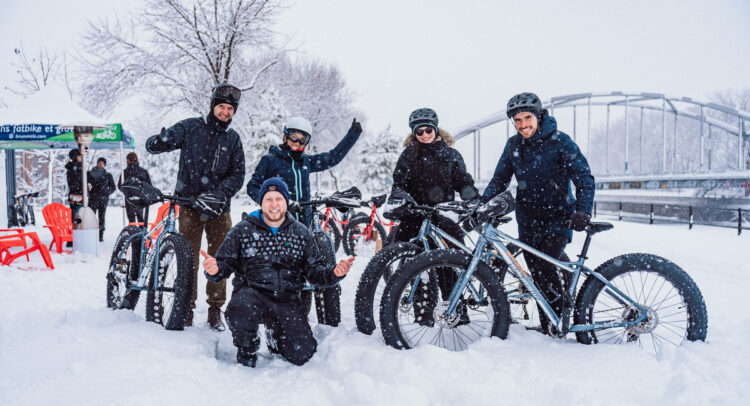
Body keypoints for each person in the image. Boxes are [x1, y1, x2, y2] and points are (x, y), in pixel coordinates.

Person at [201, 178, 354, 367]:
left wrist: (335, 273)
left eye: (279, 199)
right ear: (261, 202)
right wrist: (215, 270)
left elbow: (315, 272)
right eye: (269, 199)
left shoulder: (301, 233)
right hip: (251, 296)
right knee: (238, 311)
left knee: (302, 354)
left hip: (287, 300)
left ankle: (276, 338)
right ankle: (247, 346)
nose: (274, 204)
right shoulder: (243, 230)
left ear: (286, 202)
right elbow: (224, 264)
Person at [480, 92, 595, 335]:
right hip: (528, 219)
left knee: (543, 266)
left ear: (539, 116)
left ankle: (553, 327)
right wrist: (482, 205)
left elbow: (584, 178)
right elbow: (500, 180)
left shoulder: (561, 142)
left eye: (527, 118)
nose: (523, 125)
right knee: (538, 274)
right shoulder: (513, 145)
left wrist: (583, 210)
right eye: (517, 120)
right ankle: (553, 319)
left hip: (558, 218)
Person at [145, 83, 246, 331]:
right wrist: (158, 142)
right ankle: (185, 307)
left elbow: (238, 173)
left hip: (219, 210)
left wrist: (218, 194)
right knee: (187, 258)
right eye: (221, 107)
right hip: (189, 206)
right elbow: (164, 142)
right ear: (213, 106)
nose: (225, 112)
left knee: (220, 258)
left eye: (229, 109)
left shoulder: (232, 139)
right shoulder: (191, 127)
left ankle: (215, 309)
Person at [246, 116, 362, 327]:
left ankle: (328, 321)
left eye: (303, 140)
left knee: (316, 264)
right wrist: (276, 203)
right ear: (285, 136)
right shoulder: (271, 160)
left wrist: (352, 135)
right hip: (279, 226)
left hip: (304, 225)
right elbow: (253, 187)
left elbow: (332, 158)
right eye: (294, 138)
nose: (297, 144)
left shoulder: (305, 162)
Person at [389, 107, 479, 325]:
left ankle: (456, 311)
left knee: (449, 266)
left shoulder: (451, 155)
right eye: (419, 132)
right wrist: (400, 198)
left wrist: (471, 197)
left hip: (444, 217)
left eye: (429, 130)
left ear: (436, 129)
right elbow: (398, 184)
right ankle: (423, 314)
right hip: (415, 217)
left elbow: (463, 182)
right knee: (416, 269)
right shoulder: (408, 155)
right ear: (414, 133)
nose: (425, 135)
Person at [118, 152, 152, 224]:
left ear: (129, 160)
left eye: (127, 160)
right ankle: (142, 234)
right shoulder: (143, 172)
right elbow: (149, 186)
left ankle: (133, 233)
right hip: (140, 199)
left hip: (129, 199)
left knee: (131, 221)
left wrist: (127, 192)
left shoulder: (124, 172)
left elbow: (120, 186)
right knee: (141, 220)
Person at [87, 157, 116, 241]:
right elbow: (85, 184)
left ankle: (100, 235)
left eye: (102, 163)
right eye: (99, 162)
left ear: (105, 165)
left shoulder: (108, 175)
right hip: (93, 199)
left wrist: (107, 192)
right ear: (97, 163)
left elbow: (113, 187)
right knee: (91, 217)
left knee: (102, 217)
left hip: (103, 199)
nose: (101, 164)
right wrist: (89, 192)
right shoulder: (90, 173)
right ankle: (91, 233)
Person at [65, 149, 84, 247]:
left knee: (76, 217)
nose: (81, 158)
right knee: (77, 217)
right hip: (77, 195)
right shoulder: (74, 168)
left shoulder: (75, 168)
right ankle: (73, 238)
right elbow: (74, 183)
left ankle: (74, 238)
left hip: (77, 195)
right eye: (79, 156)